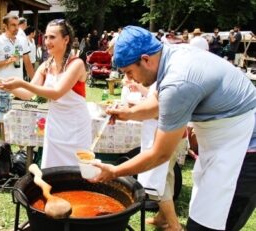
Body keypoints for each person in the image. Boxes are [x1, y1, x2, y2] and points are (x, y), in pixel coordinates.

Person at [92, 26, 256, 231]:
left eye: (129, 72)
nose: (129, 79)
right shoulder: (169, 56)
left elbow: (160, 154)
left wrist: (115, 171)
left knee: (214, 225)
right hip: (220, 143)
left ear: (145, 59)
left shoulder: (178, 81)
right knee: (202, 215)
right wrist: (129, 113)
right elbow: (159, 103)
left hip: (246, 151)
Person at [1, 19, 92, 168]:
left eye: (52, 37)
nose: (47, 41)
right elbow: (27, 94)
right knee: (52, 171)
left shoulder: (76, 64)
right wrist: (6, 86)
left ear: (66, 39)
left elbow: (56, 93)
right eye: (46, 37)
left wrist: (21, 82)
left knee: (76, 172)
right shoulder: (46, 65)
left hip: (76, 126)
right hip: (55, 124)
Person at [118, 79, 183, 231]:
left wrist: (133, 111)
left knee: (157, 181)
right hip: (172, 136)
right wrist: (141, 88)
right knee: (167, 177)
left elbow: (160, 112)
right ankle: (162, 217)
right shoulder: (164, 77)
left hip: (167, 138)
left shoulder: (169, 78)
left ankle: (175, 225)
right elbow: (155, 99)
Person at [0, 13, 33, 138]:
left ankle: (21, 151)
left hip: (20, 87)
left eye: (17, 25)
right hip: (4, 87)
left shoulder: (22, 41)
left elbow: (28, 63)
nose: (16, 28)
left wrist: (34, 84)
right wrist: (7, 62)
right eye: (13, 25)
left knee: (22, 118)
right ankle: (5, 149)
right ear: (5, 26)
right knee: (4, 119)